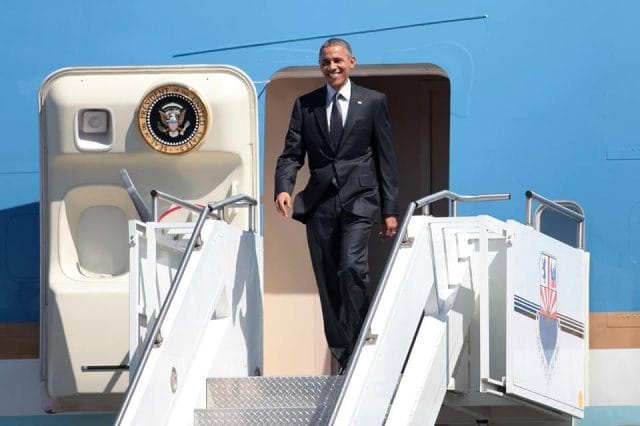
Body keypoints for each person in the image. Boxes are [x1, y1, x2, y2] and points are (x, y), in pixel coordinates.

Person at [274, 38, 399, 370]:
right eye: (326, 62)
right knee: (328, 280)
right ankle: (343, 352)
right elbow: (291, 154)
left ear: (352, 62)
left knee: (352, 267)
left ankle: (360, 340)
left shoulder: (373, 102)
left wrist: (389, 210)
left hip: (360, 200)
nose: (332, 67)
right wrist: (284, 188)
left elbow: (386, 159)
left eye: (338, 61)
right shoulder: (306, 105)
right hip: (320, 203)